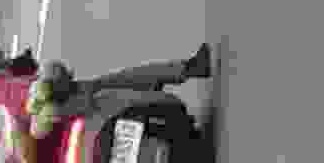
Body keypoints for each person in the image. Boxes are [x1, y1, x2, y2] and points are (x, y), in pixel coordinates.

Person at [20, 43, 215, 135]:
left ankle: (188, 69)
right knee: (121, 91)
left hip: (91, 119)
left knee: (126, 80)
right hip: (94, 123)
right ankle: (187, 71)